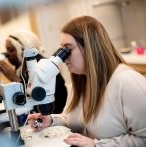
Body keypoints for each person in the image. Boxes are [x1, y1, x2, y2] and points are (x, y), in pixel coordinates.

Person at [27, 16, 146, 147]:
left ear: (90, 48)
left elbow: (143, 139)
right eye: (61, 49)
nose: (62, 57)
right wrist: (51, 120)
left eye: (68, 49)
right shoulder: (81, 80)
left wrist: (98, 145)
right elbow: (73, 119)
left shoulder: (127, 82)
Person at [0, 29, 68, 114]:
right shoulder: (22, 68)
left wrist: (14, 78)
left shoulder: (43, 67)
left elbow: (35, 96)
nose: (7, 55)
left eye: (11, 50)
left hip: (55, 113)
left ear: (24, 49)